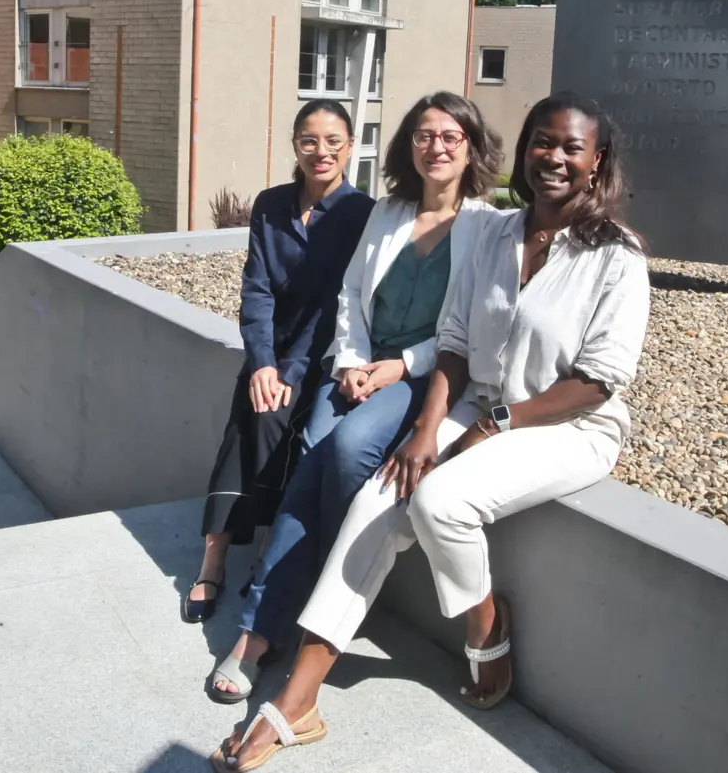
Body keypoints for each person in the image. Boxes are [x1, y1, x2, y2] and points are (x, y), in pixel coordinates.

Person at [208, 91, 653, 772]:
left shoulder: (616, 256)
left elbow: (600, 379)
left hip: (569, 424)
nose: (554, 157)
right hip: (478, 403)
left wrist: (494, 422)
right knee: (377, 497)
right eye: (543, 142)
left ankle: (485, 620)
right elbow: (455, 340)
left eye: (572, 147)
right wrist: (426, 428)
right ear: (525, 149)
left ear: (598, 161)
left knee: (437, 501)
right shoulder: (499, 235)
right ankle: (298, 699)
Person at [206, 92, 505, 702]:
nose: (437, 147)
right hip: (360, 364)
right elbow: (350, 295)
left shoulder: (488, 227)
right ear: (408, 144)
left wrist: (401, 366)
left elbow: (471, 327)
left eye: (451, 136)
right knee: (312, 454)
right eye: (424, 135)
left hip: (425, 375)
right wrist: (349, 361)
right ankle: (267, 626)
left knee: (343, 452)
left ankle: (276, 619)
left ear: (471, 146)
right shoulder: (388, 211)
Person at [182, 100, 376, 624]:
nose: (321, 151)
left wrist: (289, 370)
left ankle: (267, 550)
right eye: (309, 140)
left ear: (350, 147)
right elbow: (257, 288)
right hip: (270, 350)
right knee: (248, 411)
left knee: (272, 421)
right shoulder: (271, 205)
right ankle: (214, 555)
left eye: (333, 141)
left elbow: (341, 304)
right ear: (295, 145)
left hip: (324, 354)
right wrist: (263, 363)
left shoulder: (364, 215)